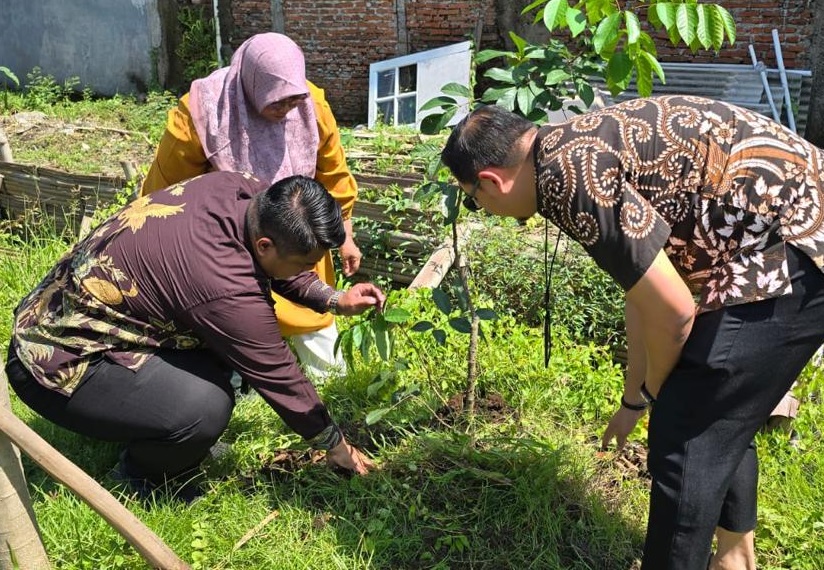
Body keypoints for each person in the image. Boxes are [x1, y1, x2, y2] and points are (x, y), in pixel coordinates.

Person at [440, 96, 824, 569]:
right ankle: (734, 558)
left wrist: (660, 391)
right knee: (716, 404)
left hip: (795, 244)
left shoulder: (568, 177)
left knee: (686, 426)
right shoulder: (569, 148)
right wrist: (634, 399)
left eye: (474, 199)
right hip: (782, 233)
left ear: (490, 181)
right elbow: (644, 292)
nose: (483, 208)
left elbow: (675, 313)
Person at [6, 171, 384, 500]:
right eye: (306, 263)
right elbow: (279, 376)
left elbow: (281, 261)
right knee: (204, 408)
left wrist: (334, 299)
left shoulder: (243, 192)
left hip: (66, 318)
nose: (307, 269)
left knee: (217, 360)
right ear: (264, 245)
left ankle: (160, 432)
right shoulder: (223, 285)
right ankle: (142, 479)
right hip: (55, 362)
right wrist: (336, 446)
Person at [141, 32, 362, 378]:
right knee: (234, 321)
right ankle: (235, 381)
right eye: (277, 102)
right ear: (251, 83)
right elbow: (167, 189)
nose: (285, 110)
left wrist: (345, 235)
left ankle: (332, 381)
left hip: (296, 240)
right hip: (227, 242)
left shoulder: (310, 104)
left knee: (309, 312)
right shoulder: (202, 112)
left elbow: (334, 175)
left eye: (292, 101)